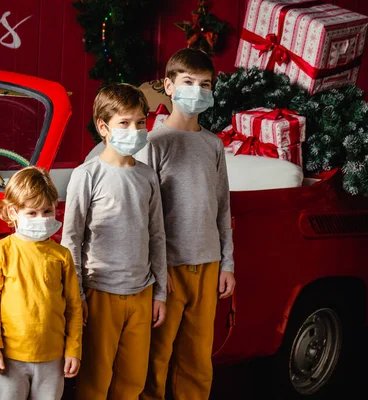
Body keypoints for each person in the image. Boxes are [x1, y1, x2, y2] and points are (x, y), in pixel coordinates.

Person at [136, 48, 236, 400]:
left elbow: (223, 208)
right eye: (188, 82)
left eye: (205, 84)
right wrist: (154, 274)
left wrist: (227, 264)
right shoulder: (153, 142)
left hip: (208, 265)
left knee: (197, 358)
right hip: (169, 268)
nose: (197, 90)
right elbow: (145, 215)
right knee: (156, 356)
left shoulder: (213, 144)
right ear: (169, 85)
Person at [61, 83, 168, 400]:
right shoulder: (87, 175)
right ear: (103, 127)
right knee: (95, 381)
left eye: (140, 123)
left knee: (133, 381)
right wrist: (77, 294)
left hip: (141, 294)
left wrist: (159, 292)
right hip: (100, 294)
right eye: (125, 123)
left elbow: (157, 235)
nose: (134, 130)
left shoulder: (148, 176)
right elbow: (72, 240)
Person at [0, 166, 83, 400]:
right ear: (13, 212)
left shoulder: (61, 255)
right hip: (11, 358)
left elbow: (74, 306)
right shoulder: (0, 251)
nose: (42, 219)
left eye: (47, 211)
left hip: (53, 359)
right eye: (32, 213)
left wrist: (73, 349)